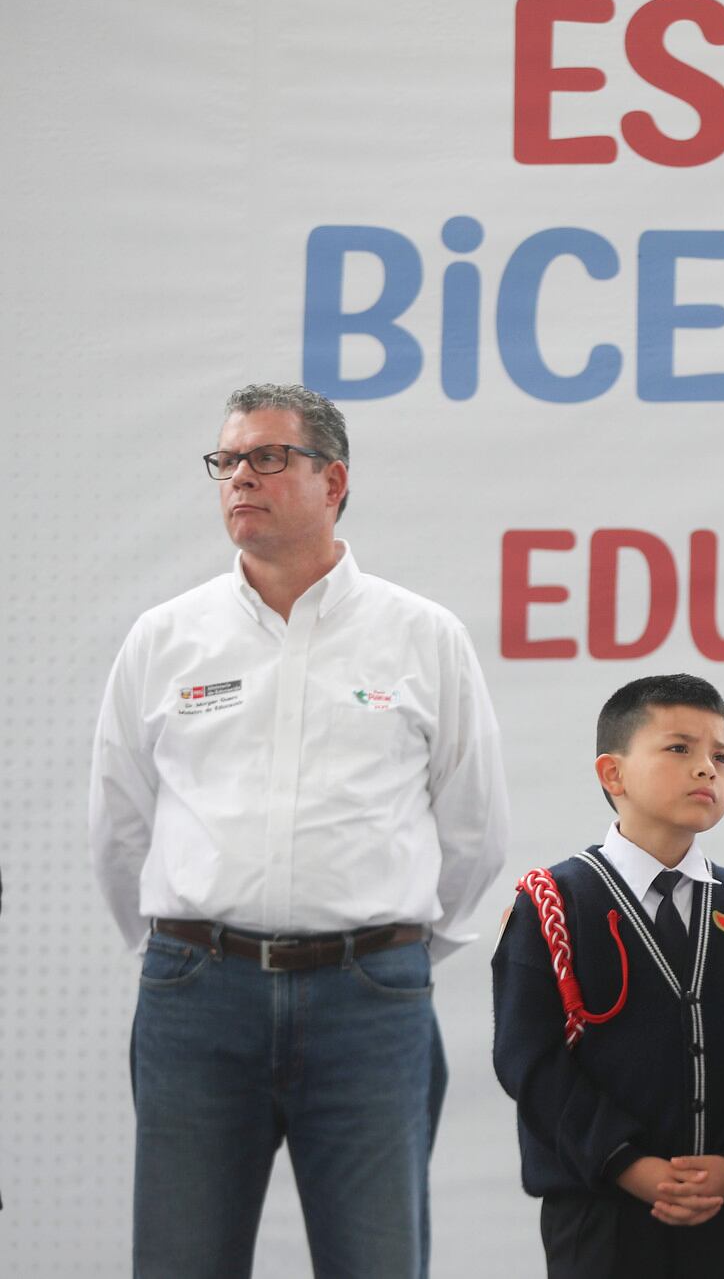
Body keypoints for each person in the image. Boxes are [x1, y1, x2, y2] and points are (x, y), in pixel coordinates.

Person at [86, 383, 510, 1277]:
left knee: (378, 1261)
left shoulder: (422, 635)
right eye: (228, 459)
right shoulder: (166, 637)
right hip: (197, 997)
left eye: (268, 456)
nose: (241, 476)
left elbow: (473, 827)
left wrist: (389, 949)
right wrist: (183, 950)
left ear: (334, 480)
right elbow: (120, 824)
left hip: (370, 1004)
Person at [494, 673, 724, 1278]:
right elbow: (529, 1059)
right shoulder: (554, 902)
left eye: (721, 756)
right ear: (612, 774)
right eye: (679, 748)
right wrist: (627, 1164)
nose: (706, 768)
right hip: (599, 1214)